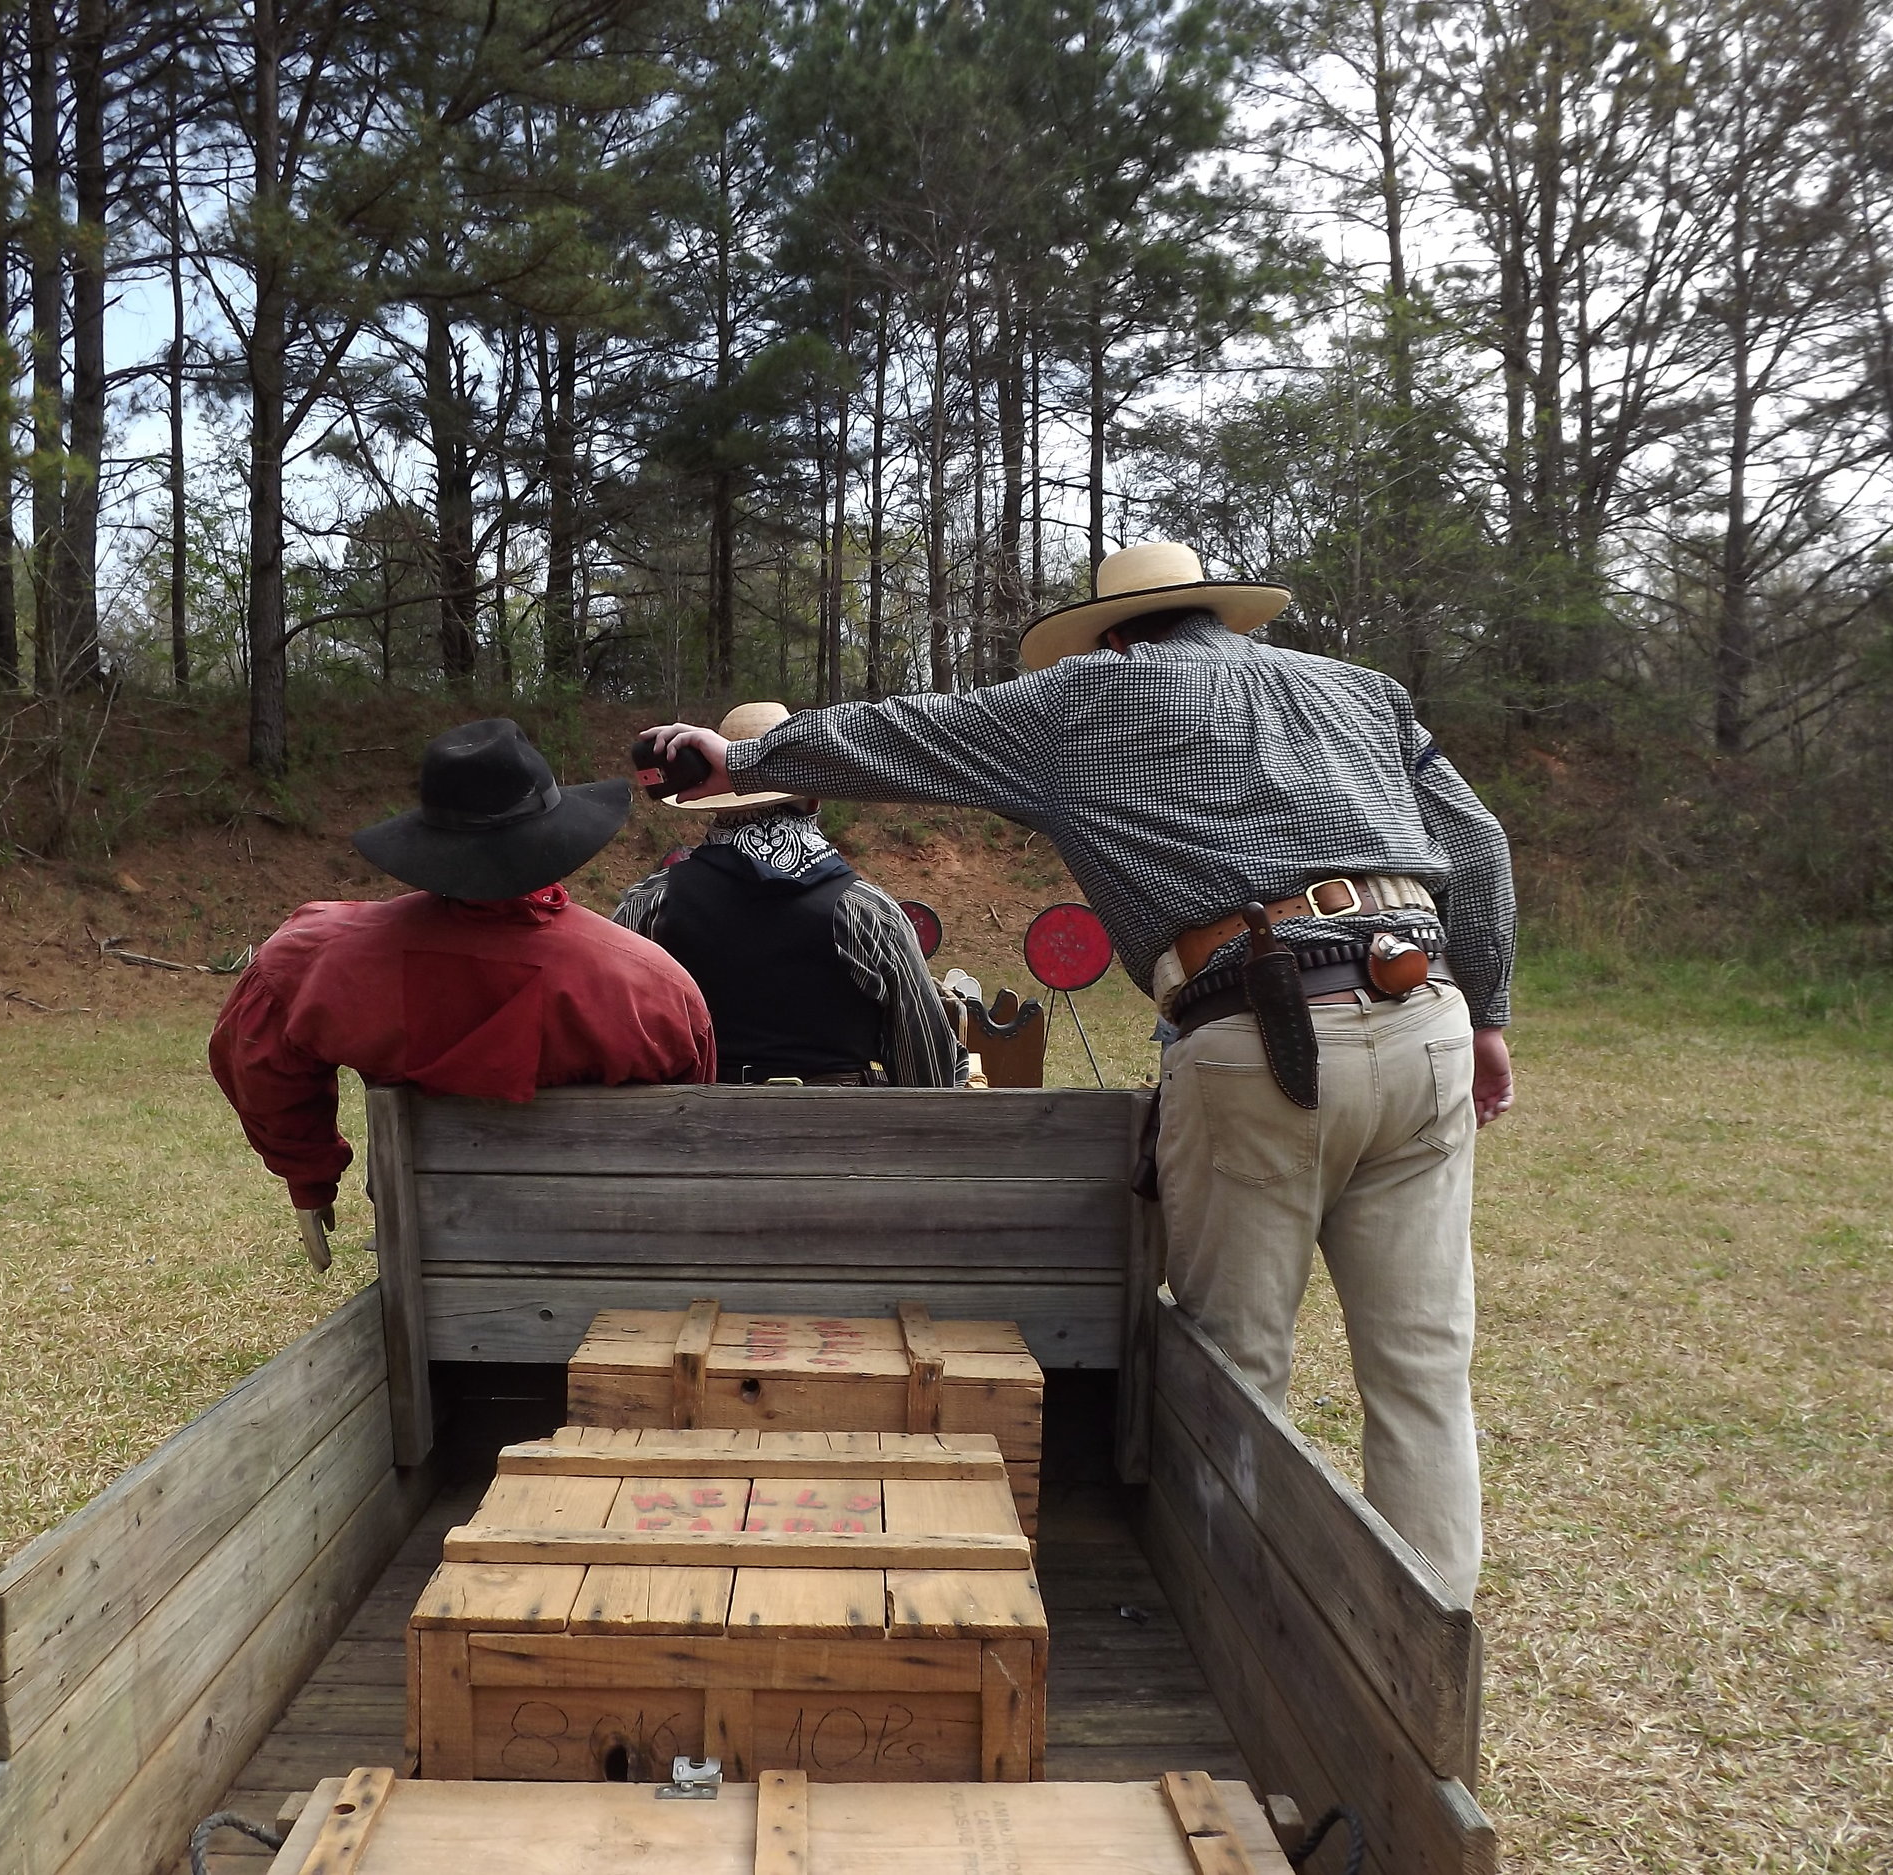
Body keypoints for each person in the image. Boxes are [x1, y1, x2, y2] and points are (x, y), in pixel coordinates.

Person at [640, 542, 1515, 1598]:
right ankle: (1431, 1639)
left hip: (1256, 1027)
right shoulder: (1363, 693)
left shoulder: (1085, 700)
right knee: (1422, 1371)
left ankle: (1228, 1621)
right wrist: (1488, 1019)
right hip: (1422, 1007)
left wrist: (738, 761)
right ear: (1218, 617)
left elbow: (908, 731)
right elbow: (1475, 844)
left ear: (1113, 633)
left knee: (1235, 1365)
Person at [210, 718, 716, 1267]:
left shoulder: (312, 958)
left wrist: (310, 1176)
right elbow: (689, 1126)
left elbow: (257, 1058)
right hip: (610, 1248)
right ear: (557, 834)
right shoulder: (655, 986)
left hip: (429, 1251)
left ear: (432, 842)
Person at [612, 701, 965, 1088]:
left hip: (695, 1138)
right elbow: (930, 1076)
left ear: (710, 798)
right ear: (814, 799)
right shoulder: (867, 913)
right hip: (839, 1141)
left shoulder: (648, 906)